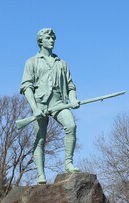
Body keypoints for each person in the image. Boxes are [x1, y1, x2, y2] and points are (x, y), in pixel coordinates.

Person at [20, 28, 81, 184]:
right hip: (40, 104)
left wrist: (73, 99)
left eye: (53, 38)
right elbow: (26, 87)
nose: (52, 40)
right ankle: (41, 175)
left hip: (59, 102)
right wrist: (35, 108)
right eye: (48, 38)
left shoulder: (62, 63)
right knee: (40, 139)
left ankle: (69, 163)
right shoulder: (32, 62)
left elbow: (70, 86)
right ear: (40, 41)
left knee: (71, 126)